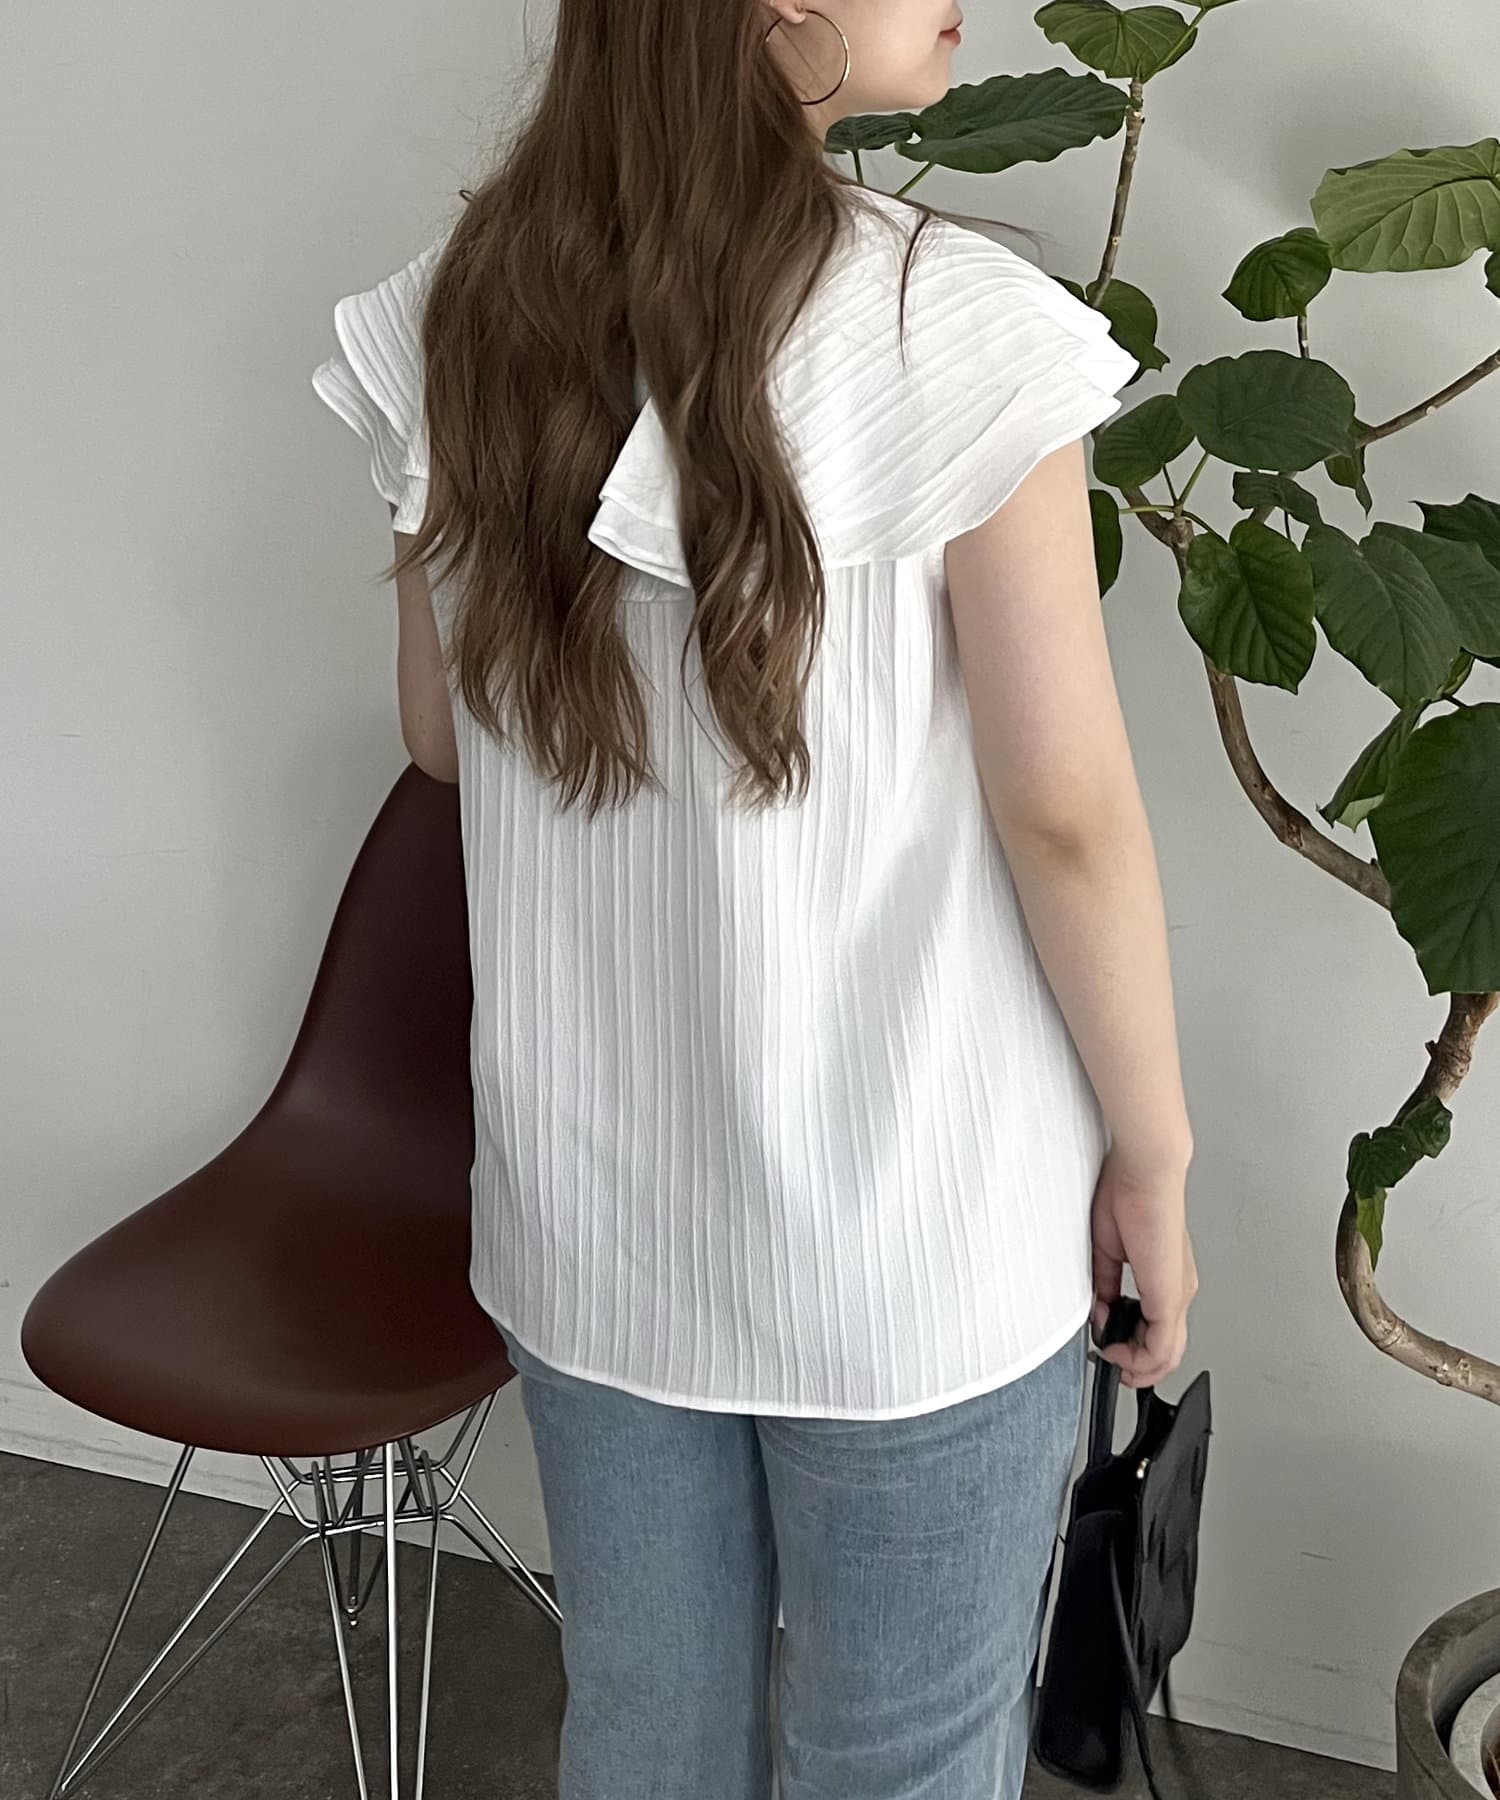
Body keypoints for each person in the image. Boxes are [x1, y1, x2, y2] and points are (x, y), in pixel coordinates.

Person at [310, 1, 1199, 1794]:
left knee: (649, 1734)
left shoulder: (460, 310)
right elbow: (1069, 817)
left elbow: (439, 735)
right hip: (916, 1243)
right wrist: (1155, 1160)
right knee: (904, 1756)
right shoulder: (954, 329)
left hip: (599, 1229)